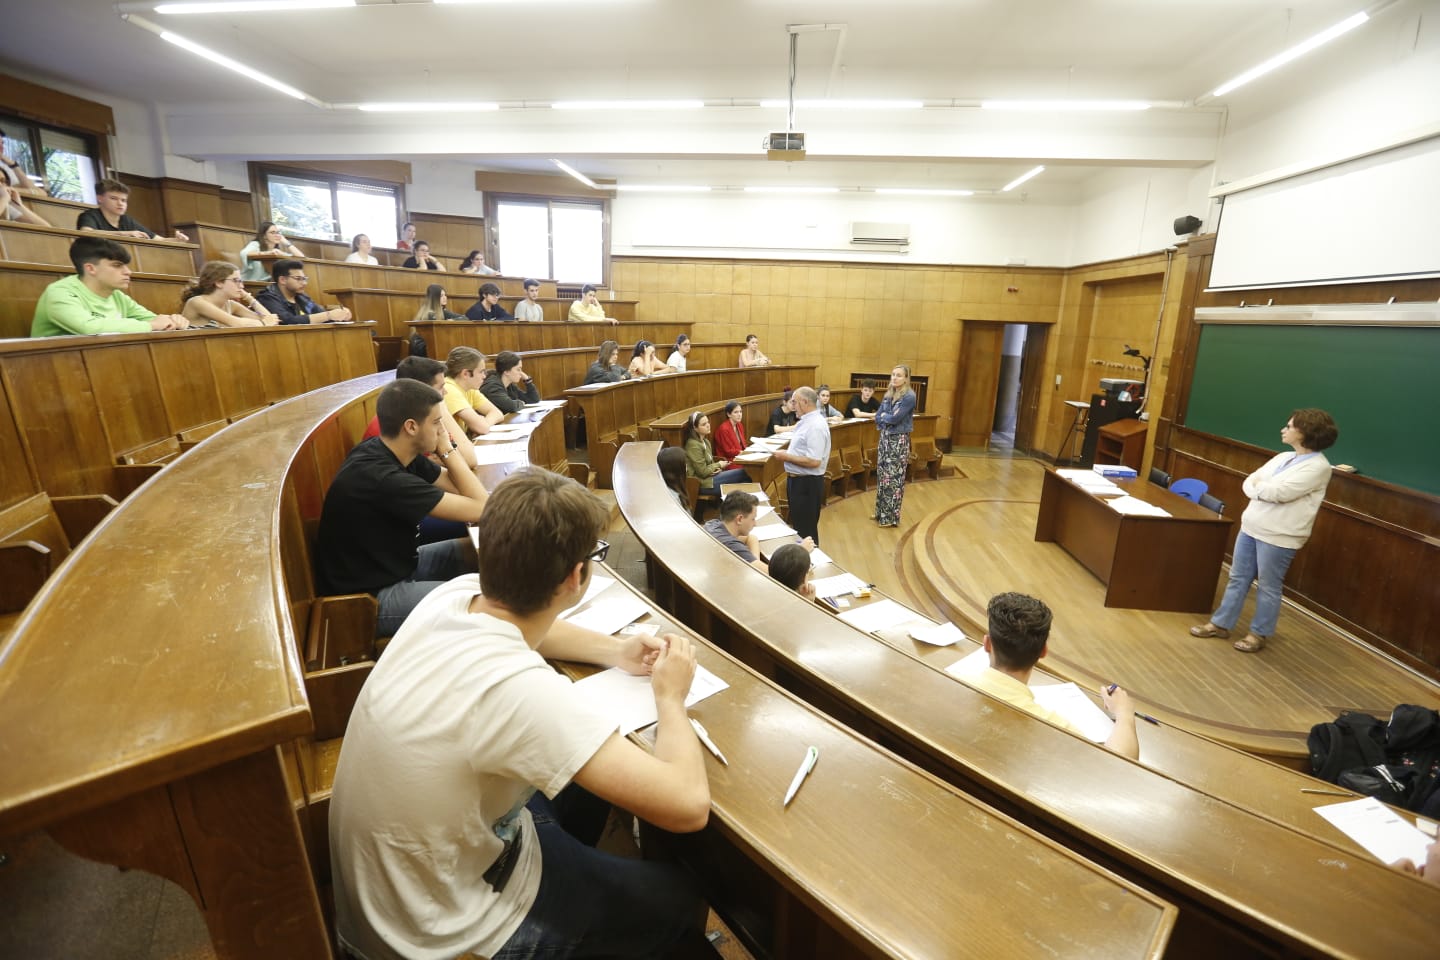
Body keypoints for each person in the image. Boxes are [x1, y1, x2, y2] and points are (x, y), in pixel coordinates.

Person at [329, 468, 709, 960]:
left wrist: (617, 651)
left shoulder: (454, 597)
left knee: (580, 791)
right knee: (676, 896)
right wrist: (670, 697)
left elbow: (537, 631)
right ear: (576, 577)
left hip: (411, 887)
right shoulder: (519, 693)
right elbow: (687, 805)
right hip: (444, 933)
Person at [314, 378, 489, 637]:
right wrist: (447, 449)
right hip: (371, 600)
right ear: (411, 427)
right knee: (488, 604)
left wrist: (444, 450)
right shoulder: (383, 479)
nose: (443, 431)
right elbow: (482, 508)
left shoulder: (391, 451)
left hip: (398, 565)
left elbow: (460, 486)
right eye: (437, 423)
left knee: (482, 550)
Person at [1189, 408, 1339, 654]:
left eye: (1289, 427)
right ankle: (1220, 624)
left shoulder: (1318, 467)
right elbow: (1249, 481)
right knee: (1238, 578)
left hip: (1280, 535)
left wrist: (1260, 488)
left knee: (1268, 585)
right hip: (1252, 526)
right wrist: (1261, 488)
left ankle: (1258, 633)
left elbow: (1279, 494)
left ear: (1305, 433)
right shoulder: (1283, 457)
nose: (1284, 429)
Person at [964, 593, 1140, 759]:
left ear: (986, 644)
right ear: (1043, 652)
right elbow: (1117, 765)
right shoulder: (1055, 728)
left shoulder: (951, 682)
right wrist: (1124, 713)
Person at [32, 236, 189, 337]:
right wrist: (150, 325)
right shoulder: (60, 292)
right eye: (117, 266)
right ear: (90, 268)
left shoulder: (115, 295)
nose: (128, 272)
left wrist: (173, 320)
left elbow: (153, 319)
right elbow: (88, 327)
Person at [362, 356, 477, 473]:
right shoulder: (399, 423)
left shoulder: (413, 414)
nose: (445, 392)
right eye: (441, 387)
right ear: (422, 390)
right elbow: (469, 459)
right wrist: (441, 408)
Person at [770, 386, 830, 545]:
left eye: (795, 402)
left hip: (806, 484)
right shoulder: (805, 421)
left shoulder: (815, 425)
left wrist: (786, 456)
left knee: (806, 532)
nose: (793, 406)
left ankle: (810, 564)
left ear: (805, 402)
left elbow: (814, 460)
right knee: (800, 527)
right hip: (799, 482)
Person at [76, 178, 188, 241]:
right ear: (100, 198)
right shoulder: (90, 215)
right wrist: (126, 234)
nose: (120, 203)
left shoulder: (126, 220)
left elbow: (159, 240)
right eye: (114, 198)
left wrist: (178, 240)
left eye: (123, 200)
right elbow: (86, 233)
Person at [874, 364, 917, 529]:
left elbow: (895, 419)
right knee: (882, 475)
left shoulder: (909, 396)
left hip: (897, 441)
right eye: (893, 374)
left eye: (899, 375)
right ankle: (880, 513)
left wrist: (886, 417)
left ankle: (890, 518)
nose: (895, 378)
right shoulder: (889, 393)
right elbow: (879, 416)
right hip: (885, 438)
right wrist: (885, 416)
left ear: (906, 378)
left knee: (893, 479)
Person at [179, 260, 278, 328]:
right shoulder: (197, 302)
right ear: (219, 282)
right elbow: (236, 323)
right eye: (236, 281)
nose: (241, 286)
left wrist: (249, 298)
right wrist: (264, 323)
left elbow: (268, 319)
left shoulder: (231, 304)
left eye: (241, 281)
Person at [255, 259, 353, 325]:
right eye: (298, 279)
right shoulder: (267, 297)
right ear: (282, 280)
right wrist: (328, 315)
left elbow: (319, 313)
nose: (304, 283)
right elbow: (287, 321)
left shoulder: (302, 297)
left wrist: (340, 315)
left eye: (304, 279)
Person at [682, 411, 750, 495]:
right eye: (703, 424)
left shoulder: (705, 441)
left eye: (708, 422)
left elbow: (709, 464)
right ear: (695, 428)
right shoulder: (693, 445)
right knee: (745, 473)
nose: (708, 425)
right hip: (702, 484)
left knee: (747, 476)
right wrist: (719, 465)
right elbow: (702, 472)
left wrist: (717, 469)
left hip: (711, 477)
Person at [442, 346, 504, 437]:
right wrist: (481, 424)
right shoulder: (448, 389)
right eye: (481, 372)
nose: (484, 376)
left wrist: (485, 422)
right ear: (465, 374)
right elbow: (482, 428)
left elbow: (497, 413)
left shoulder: (469, 388)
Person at [702, 491, 768, 573]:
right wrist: (756, 564)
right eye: (753, 519)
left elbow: (752, 537)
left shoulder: (713, 524)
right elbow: (767, 573)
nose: (755, 524)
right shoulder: (730, 545)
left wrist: (755, 560)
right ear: (739, 519)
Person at [239, 220, 303, 281]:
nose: (277, 235)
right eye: (273, 232)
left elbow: (301, 258)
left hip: (270, 284)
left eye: (278, 232)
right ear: (264, 235)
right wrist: (267, 253)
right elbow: (244, 253)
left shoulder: (276, 251)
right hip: (251, 283)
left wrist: (287, 243)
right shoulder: (256, 244)